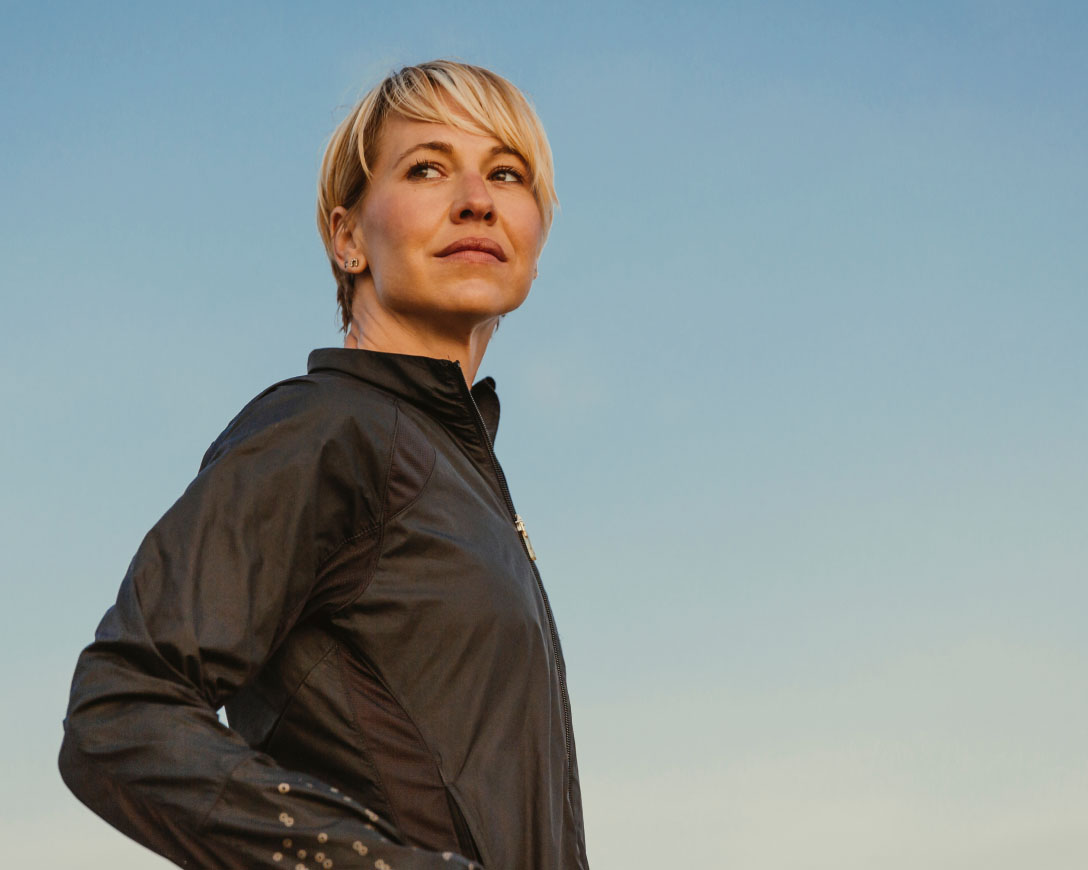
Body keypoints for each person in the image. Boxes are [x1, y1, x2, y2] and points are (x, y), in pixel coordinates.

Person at [59, 60, 589, 870]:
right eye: (427, 167)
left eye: (507, 173)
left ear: (537, 240)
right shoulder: (329, 430)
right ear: (347, 238)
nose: (477, 197)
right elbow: (121, 708)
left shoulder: (467, 485)